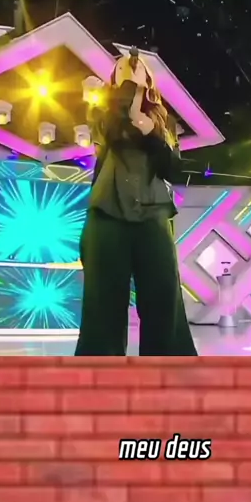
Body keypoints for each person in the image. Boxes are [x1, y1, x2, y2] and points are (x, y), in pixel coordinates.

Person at [75, 47, 198, 357]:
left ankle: (167, 369)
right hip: (107, 212)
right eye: (120, 69)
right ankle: (100, 372)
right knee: (103, 301)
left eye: (135, 66)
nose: (128, 69)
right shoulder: (102, 112)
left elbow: (172, 169)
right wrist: (129, 93)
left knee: (163, 297)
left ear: (150, 77)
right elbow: (112, 133)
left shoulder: (164, 121)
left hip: (153, 213)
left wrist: (150, 130)